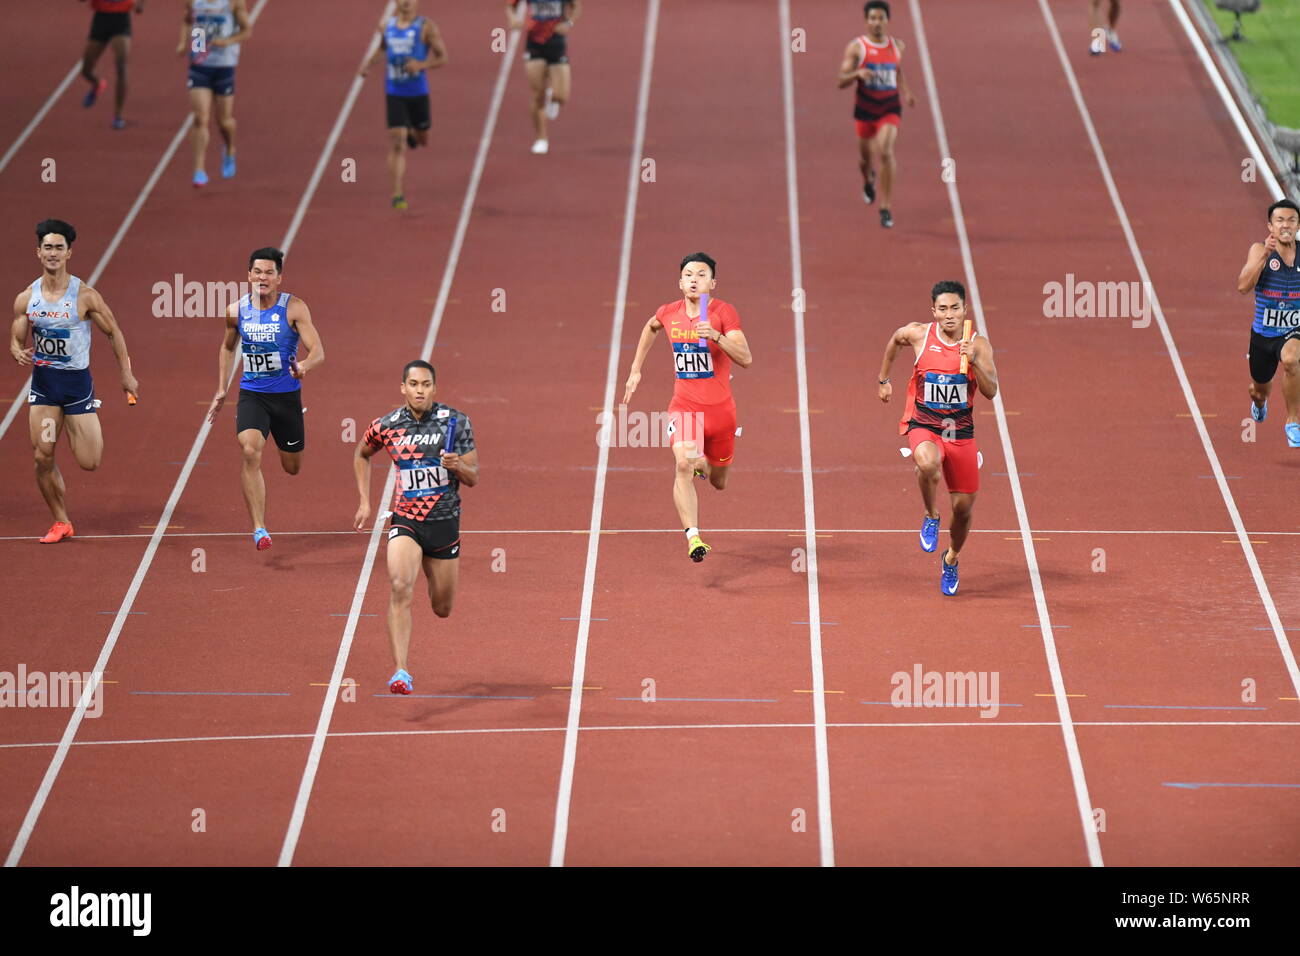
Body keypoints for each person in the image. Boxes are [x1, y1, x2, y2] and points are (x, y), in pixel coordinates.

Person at [9, 219, 139, 543]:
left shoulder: (85, 297)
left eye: (59, 248)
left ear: (69, 253)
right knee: (42, 456)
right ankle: (61, 520)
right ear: (38, 252)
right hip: (45, 390)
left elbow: (114, 332)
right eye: (48, 247)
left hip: (77, 389)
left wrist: (126, 373)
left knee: (89, 462)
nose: (53, 253)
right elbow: (17, 334)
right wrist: (15, 349)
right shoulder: (27, 298)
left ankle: (71, 425)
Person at [353, 360, 478, 695]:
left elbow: (474, 476)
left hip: (444, 524)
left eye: (425, 384)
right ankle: (401, 671)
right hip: (406, 520)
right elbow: (362, 453)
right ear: (403, 388)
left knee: (442, 608)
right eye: (413, 384)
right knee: (399, 587)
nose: (419, 390)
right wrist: (365, 501)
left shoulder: (457, 421)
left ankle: (430, 572)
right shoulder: (387, 425)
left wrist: (457, 467)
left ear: (434, 388)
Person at [622, 252, 752, 563]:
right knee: (683, 464)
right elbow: (651, 327)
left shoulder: (723, 313)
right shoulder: (668, 312)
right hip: (685, 406)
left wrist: (717, 337)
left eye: (702, 274)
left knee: (719, 482)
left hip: (721, 413)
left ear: (713, 283)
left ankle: (704, 464)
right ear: (681, 282)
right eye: (689, 275)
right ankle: (693, 537)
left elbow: (746, 358)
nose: (695, 279)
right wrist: (635, 368)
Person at [877, 280, 998, 596]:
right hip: (925, 425)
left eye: (954, 308)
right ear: (933, 311)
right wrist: (884, 379)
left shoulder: (979, 345)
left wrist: (974, 361)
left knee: (964, 511)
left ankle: (952, 558)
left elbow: (992, 391)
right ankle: (931, 515)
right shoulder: (919, 334)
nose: (949, 315)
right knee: (926, 463)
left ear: (964, 310)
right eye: (942, 309)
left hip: (960, 433)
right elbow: (894, 340)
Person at [206, 247, 324, 550]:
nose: (262, 277)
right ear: (248, 275)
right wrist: (222, 388)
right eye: (257, 271)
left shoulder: (294, 308)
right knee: (249, 449)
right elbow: (227, 347)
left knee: (292, 467)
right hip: (252, 395)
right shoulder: (235, 311)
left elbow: (318, 352)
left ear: (279, 278)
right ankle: (259, 528)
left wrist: (302, 366)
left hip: (286, 398)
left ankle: (289, 433)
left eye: (269, 272)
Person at [359, 0, 448, 211]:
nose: (406, 2)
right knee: (397, 144)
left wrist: (421, 65)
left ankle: (412, 131)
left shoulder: (426, 27)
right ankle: (397, 195)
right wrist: (368, 64)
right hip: (394, 93)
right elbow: (382, 48)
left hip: (418, 93)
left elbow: (443, 58)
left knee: (422, 139)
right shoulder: (386, 26)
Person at [837, 0, 915, 229]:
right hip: (865, 110)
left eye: (881, 18)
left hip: (889, 107)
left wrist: (906, 92)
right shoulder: (856, 48)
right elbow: (840, 80)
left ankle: (885, 207)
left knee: (886, 151)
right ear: (866, 21)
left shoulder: (898, 46)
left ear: (887, 20)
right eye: (872, 18)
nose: (877, 23)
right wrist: (857, 74)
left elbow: (897, 70)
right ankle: (868, 178)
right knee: (864, 159)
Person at [1238, 198, 1300, 446]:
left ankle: (1293, 422)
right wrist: (1264, 254)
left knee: (1292, 359)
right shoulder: (1259, 249)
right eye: (1280, 220)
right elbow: (1243, 286)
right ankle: (1259, 403)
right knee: (1260, 390)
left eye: (1291, 220)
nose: (1286, 225)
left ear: (1298, 226)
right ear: (1270, 226)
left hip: (1294, 330)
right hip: (1264, 335)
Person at [178, 0, 252, 187]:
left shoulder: (233, 3)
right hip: (199, 64)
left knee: (224, 122)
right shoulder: (194, 2)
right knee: (200, 118)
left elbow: (246, 30)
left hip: (224, 65)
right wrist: (182, 42)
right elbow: (187, 20)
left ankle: (229, 149)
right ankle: (199, 170)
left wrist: (227, 41)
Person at [506, 0, 581, 155]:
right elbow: (509, 6)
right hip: (534, 44)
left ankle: (553, 98)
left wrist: (568, 23)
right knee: (536, 94)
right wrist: (512, 19)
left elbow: (577, 6)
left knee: (561, 96)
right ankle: (541, 138)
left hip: (557, 43)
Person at [79, 0, 144, 129]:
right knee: (85, 70)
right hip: (101, 19)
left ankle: (117, 116)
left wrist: (141, 4)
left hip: (121, 19)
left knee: (121, 66)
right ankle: (97, 84)